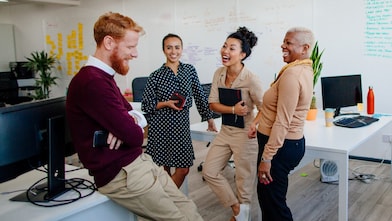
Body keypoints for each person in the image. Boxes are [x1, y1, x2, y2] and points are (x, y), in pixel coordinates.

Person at [66, 12, 203, 221]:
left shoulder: (105, 77)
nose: (135, 53)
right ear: (109, 42)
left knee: (189, 210)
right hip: (121, 174)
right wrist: (129, 126)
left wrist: (130, 121)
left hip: (138, 162)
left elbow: (135, 115)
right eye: (130, 47)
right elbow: (136, 136)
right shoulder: (92, 82)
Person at [251, 27, 315, 221]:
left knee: (274, 204)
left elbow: (282, 121)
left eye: (288, 43)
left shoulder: (292, 75)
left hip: (279, 147)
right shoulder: (303, 68)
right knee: (270, 198)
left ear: (304, 48)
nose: (283, 46)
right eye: (284, 41)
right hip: (288, 144)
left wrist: (267, 158)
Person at [202, 27, 264, 221]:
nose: (225, 51)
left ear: (243, 54)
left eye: (232, 48)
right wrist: (232, 110)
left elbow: (266, 108)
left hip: (245, 133)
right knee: (209, 171)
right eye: (224, 46)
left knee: (244, 180)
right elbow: (212, 103)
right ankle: (236, 207)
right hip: (225, 131)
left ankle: (242, 215)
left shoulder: (251, 79)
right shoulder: (219, 73)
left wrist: (255, 123)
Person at [141, 33, 217, 188]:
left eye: (177, 47)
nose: (173, 51)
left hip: (181, 126)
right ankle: (169, 205)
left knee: (183, 169)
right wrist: (166, 103)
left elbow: (199, 95)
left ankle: (167, 201)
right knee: (164, 170)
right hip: (160, 127)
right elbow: (146, 105)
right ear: (163, 50)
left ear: (182, 49)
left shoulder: (189, 70)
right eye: (169, 48)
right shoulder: (155, 76)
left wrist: (209, 118)